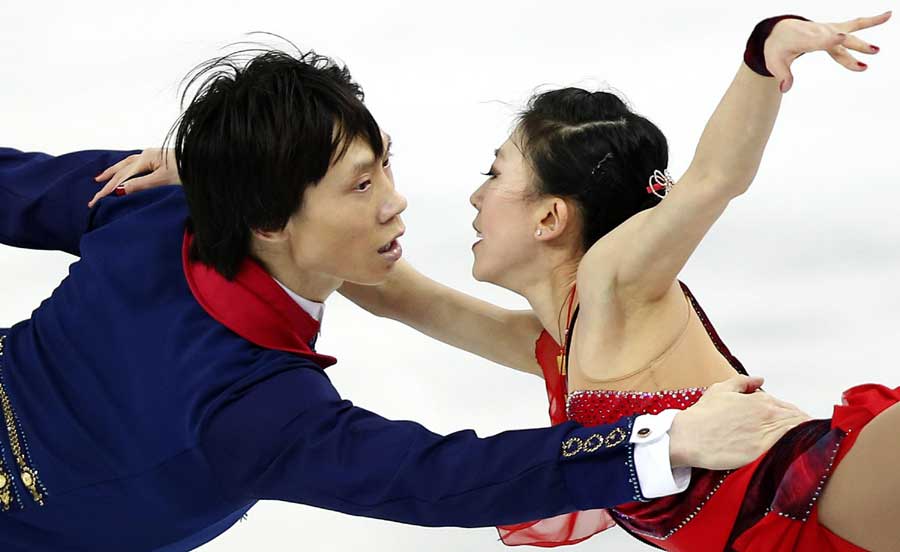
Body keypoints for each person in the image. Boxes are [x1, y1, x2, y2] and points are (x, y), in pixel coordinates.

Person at [95, 11, 895, 551]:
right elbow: (389, 291)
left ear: (550, 217)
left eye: (494, 172)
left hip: (815, 493)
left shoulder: (616, 281)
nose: (473, 196)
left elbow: (713, 178)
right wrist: (233, 177)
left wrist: (768, 50)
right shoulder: (552, 342)